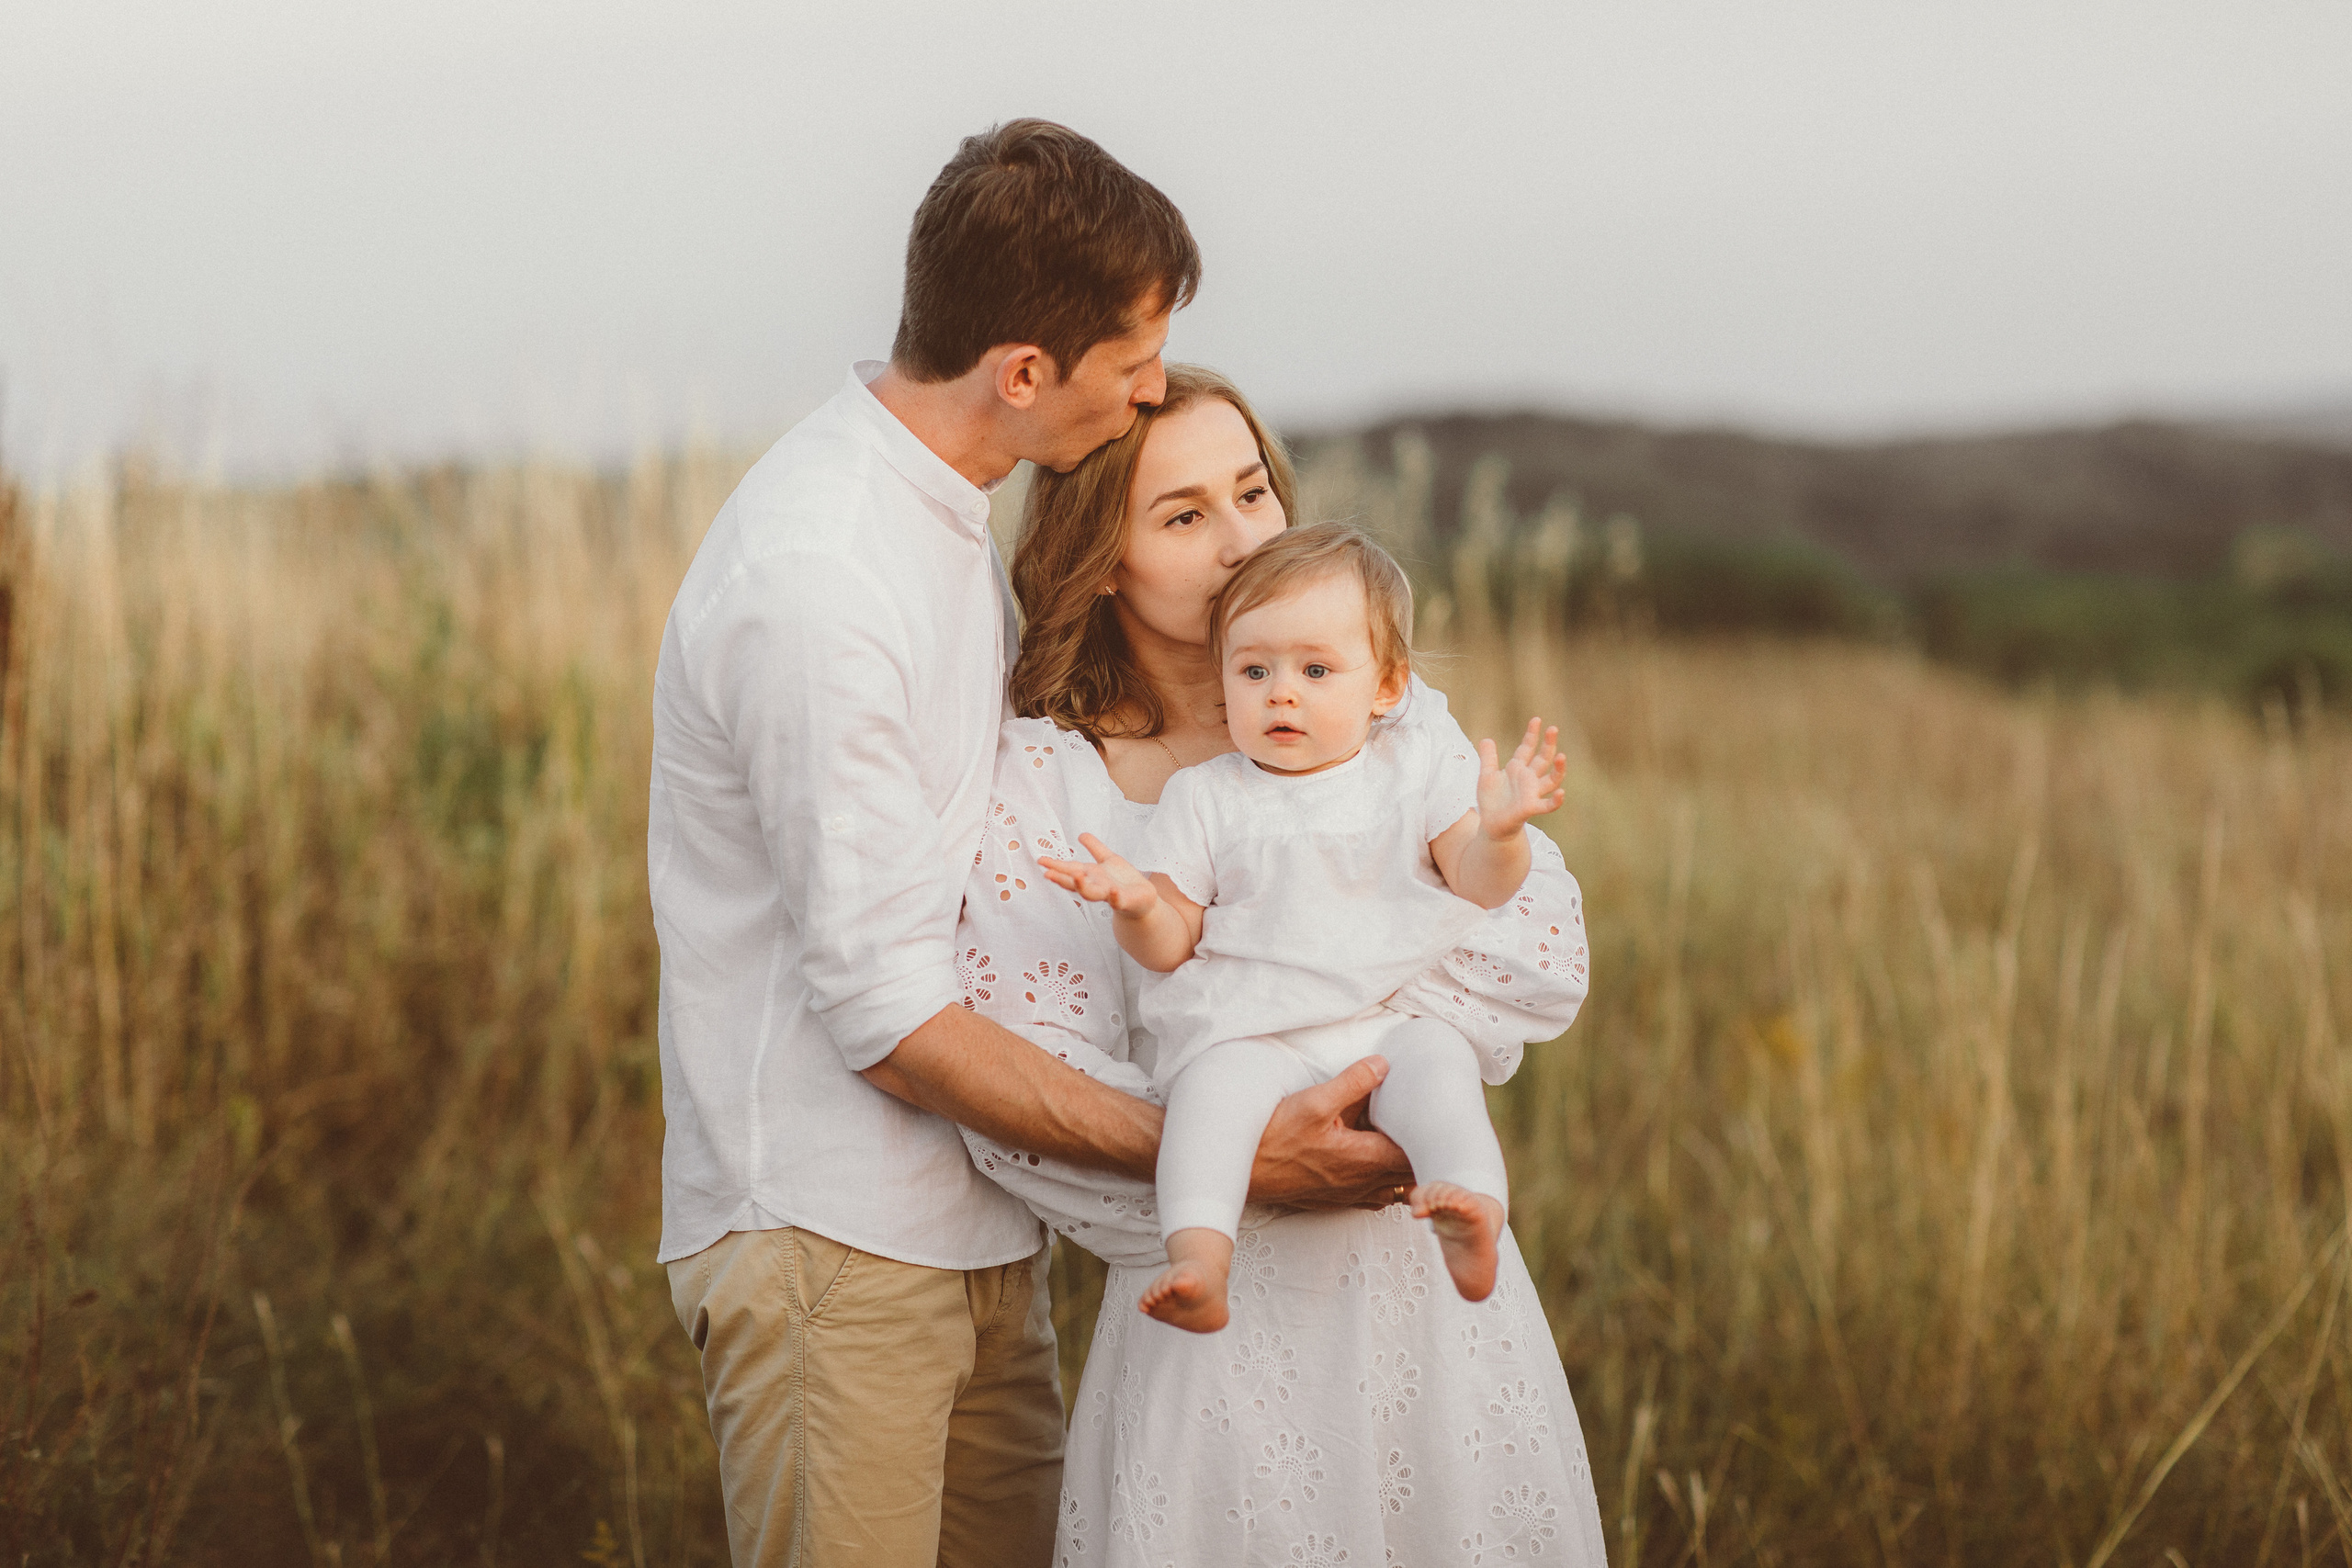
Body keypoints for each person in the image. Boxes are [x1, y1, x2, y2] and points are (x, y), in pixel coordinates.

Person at [649, 122, 1409, 1568]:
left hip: (983, 1237)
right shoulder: (820, 579)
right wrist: (1232, 1152)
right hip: (835, 1239)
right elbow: (884, 1014)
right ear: (1020, 373)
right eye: (1131, 364)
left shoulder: (939, 525)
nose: (1145, 391)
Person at [956, 364, 1609, 1564]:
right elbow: (1024, 1092)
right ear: (1103, 556)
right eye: (1184, 514)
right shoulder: (1047, 785)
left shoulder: (1385, 715)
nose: (1244, 536)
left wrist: (1350, 1066)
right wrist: (1246, 1151)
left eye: (1253, 490)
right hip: (1208, 1308)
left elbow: (1531, 953)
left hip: (1421, 1277)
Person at [1039, 523, 1568, 1330]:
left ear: (1386, 686)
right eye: (1254, 670)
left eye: (1316, 670)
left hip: (1388, 1023)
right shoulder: (1207, 796)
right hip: (1254, 1031)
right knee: (1207, 1104)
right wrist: (1138, 904)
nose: (1281, 692)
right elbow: (1174, 941)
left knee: (1441, 1072)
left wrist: (1501, 835)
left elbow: (1478, 882)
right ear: (1225, 682)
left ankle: (1473, 1207)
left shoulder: (1412, 768)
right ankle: (1200, 1258)